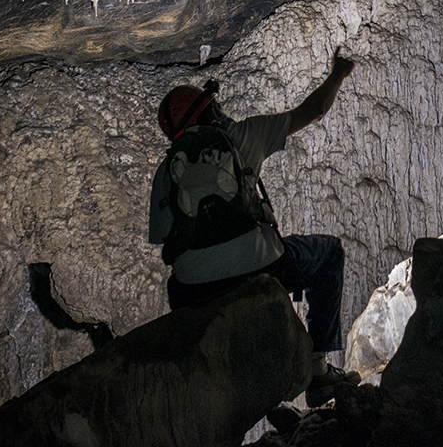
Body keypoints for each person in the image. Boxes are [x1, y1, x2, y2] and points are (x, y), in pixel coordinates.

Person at [148, 53, 358, 400]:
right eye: (215, 106)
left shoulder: (166, 172)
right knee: (329, 253)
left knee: (176, 284)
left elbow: (165, 242)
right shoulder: (242, 134)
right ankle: (318, 372)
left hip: (194, 291)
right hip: (262, 269)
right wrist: (339, 72)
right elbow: (315, 109)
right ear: (210, 112)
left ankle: (209, 377)